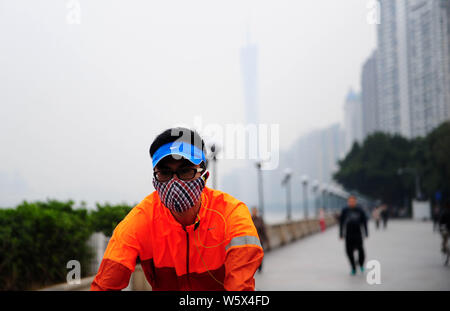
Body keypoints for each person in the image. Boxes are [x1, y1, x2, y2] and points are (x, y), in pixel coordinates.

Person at [91, 127, 264, 291]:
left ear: (204, 177)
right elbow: (105, 283)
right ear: (155, 179)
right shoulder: (140, 220)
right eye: (165, 172)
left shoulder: (232, 214)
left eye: (186, 170)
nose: (175, 182)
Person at [339, 195, 368, 275]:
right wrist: (341, 234)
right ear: (348, 202)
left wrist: (366, 232)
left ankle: (361, 263)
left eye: (353, 201)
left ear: (355, 202)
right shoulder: (345, 210)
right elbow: (341, 223)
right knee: (348, 251)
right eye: (350, 201)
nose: (351, 202)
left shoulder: (360, 210)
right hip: (348, 234)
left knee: (361, 250)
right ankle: (353, 267)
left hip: (358, 234)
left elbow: (364, 222)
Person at [251, 207, 269, 273]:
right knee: (253, 255)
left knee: (260, 254)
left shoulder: (260, 220)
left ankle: (260, 267)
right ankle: (254, 267)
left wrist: (266, 240)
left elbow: (264, 230)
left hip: (259, 240)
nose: (254, 212)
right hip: (252, 241)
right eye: (253, 211)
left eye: (255, 211)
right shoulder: (249, 219)